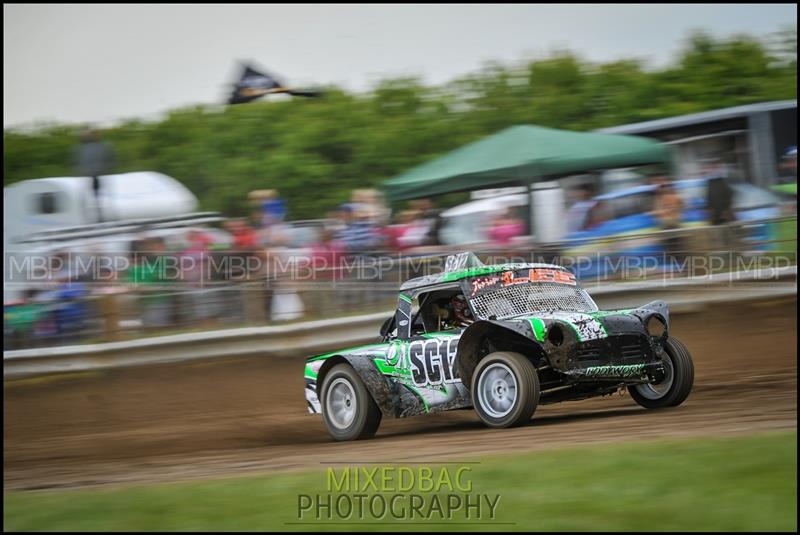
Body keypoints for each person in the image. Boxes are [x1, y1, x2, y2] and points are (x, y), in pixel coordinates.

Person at [74, 128, 115, 223]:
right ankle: (96, 216)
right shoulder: (82, 148)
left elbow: (108, 159)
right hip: (90, 175)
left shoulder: (102, 146)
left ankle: (100, 216)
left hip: (96, 175)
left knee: (98, 197)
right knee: (92, 197)